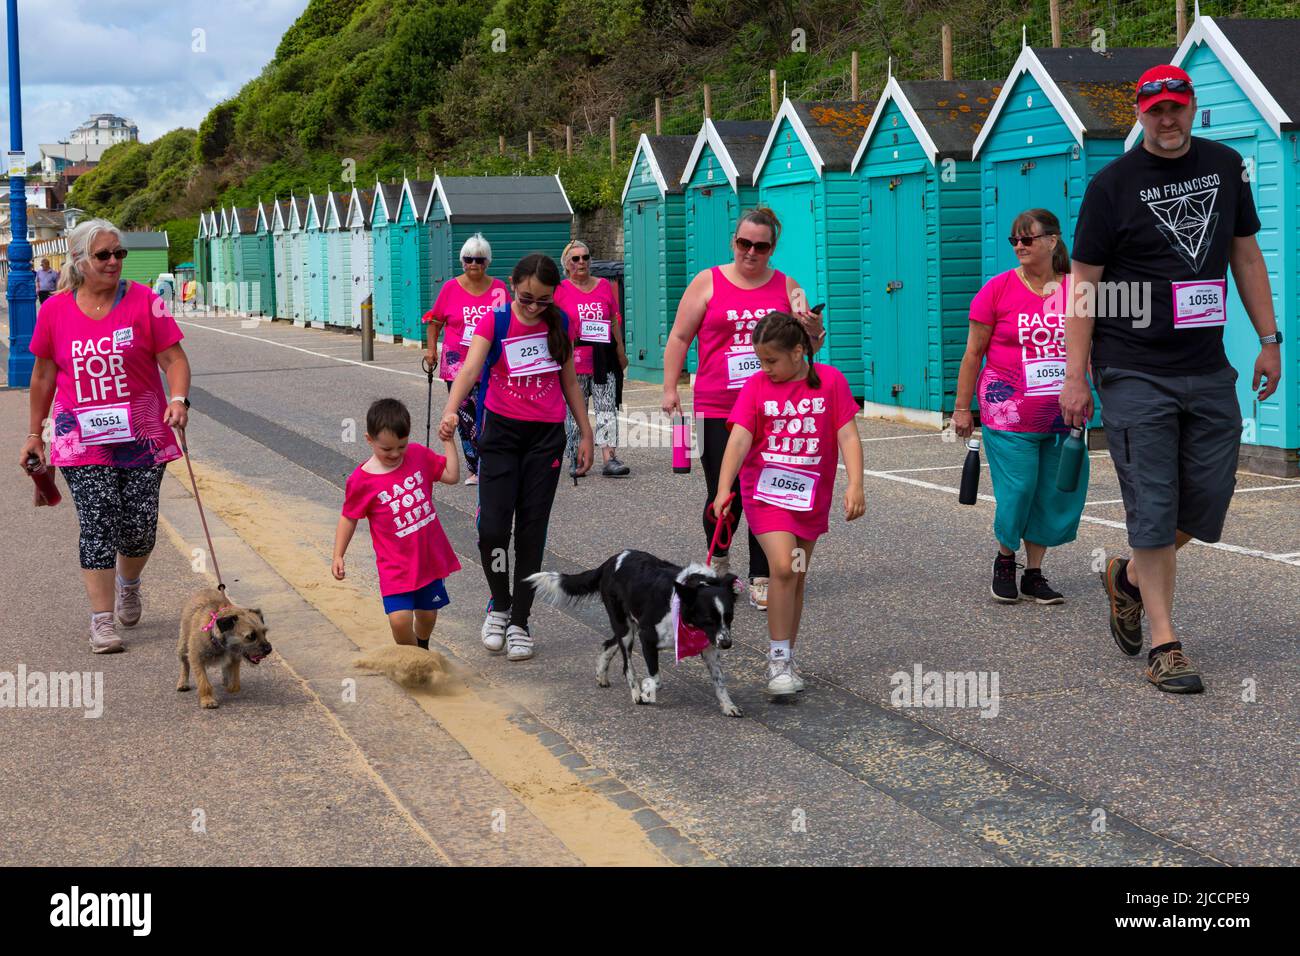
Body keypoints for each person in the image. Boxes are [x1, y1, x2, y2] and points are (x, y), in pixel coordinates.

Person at [1062, 65, 1283, 694]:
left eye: (1176, 108)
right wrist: (1075, 375)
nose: (1166, 119)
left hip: (1208, 367)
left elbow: (1244, 253)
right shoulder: (1112, 185)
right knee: (1154, 507)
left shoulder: (1224, 166)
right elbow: (1084, 286)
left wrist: (1270, 342)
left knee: (1207, 501)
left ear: (1191, 108)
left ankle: (1128, 578)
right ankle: (1166, 641)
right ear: (1140, 112)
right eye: (1154, 109)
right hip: (1132, 368)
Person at [19, 218, 192, 654]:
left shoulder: (145, 301)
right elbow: (43, 375)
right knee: (98, 522)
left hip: (144, 432)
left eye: (119, 253)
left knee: (139, 529)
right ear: (79, 260)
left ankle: (128, 582)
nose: (114, 261)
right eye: (103, 255)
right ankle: (101, 619)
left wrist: (179, 400)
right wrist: (34, 434)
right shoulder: (56, 310)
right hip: (81, 436)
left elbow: (173, 359)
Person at [662, 207, 823, 613]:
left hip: (771, 408)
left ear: (772, 248)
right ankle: (718, 558)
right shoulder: (707, 282)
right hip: (718, 405)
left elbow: (809, 349)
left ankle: (761, 575)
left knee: (765, 492)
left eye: (761, 246)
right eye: (744, 243)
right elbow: (680, 336)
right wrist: (669, 389)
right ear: (734, 241)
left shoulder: (788, 288)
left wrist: (813, 328)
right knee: (724, 491)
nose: (751, 252)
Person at [439, 253, 594, 661]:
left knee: (531, 531)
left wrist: (586, 432)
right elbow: (470, 370)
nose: (533, 307)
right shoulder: (497, 321)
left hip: (545, 439)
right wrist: (451, 410)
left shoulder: (560, 323)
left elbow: (569, 383)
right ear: (512, 286)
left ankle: (521, 619)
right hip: (502, 435)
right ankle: (499, 604)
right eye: (526, 297)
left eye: (543, 300)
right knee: (492, 529)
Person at [713, 313, 864, 695]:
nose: (766, 369)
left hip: (810, 499)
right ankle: (777, 661)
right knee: (782, 566)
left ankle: (788, 656)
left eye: (772, 361)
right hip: (766, 494)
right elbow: (739, 440)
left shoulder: (830, 381)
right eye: (761, 361)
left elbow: (847, 435)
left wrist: (856, 484)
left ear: (799, 352)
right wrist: (722, 488)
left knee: (795, 575)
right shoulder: (756, 387)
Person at [953, 208, 1087, 604]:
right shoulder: (996, 290)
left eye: (1028, 238)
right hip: (1007, 412)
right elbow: (973, 352)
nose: (1020, 246)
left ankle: (1034, 573)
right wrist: (962, 408)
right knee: (1019, 489)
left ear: (1052, 240)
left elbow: (1089, 350)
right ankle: (1005, 558)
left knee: (1054, 492)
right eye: (1015, 240)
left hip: (1064, 415)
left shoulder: (1077, 290)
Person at [333, 398, 462, 649]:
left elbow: (451, 476)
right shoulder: (361, 480)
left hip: (427, 559)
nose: (395, 454)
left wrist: (448, 442)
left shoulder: (417, 454)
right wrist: (338, 555)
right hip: (395, 566)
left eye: (400, 447)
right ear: (369, 440)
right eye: (386, 449)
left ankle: (422, 647)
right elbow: (348, 517)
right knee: (400, 620)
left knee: (427, 614)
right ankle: (413, 660)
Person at [422, 233, 509, 485]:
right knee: (465, 418)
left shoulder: (499, 289)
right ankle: (474, 468)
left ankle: (490, 463)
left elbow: (507, 323)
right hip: (457, 364)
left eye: (480, 260)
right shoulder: (450, 288)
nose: (474, 264)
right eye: (469, 259)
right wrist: (431, 350)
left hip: (491, 364)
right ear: (462, 261)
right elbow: (435, 321)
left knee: (489, 416)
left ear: (488, 262)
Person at [556, 239, 630, 477]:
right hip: (573, 359)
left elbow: (613, 319)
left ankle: (610, 458)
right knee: (574, 411)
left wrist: (620, 350)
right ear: (567, 265)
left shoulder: (604, 286)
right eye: (575, 259)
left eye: (585, 258)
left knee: (606, 408)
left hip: (602, 357)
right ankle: (577, 458)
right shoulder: (560, 290)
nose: (581, 263)